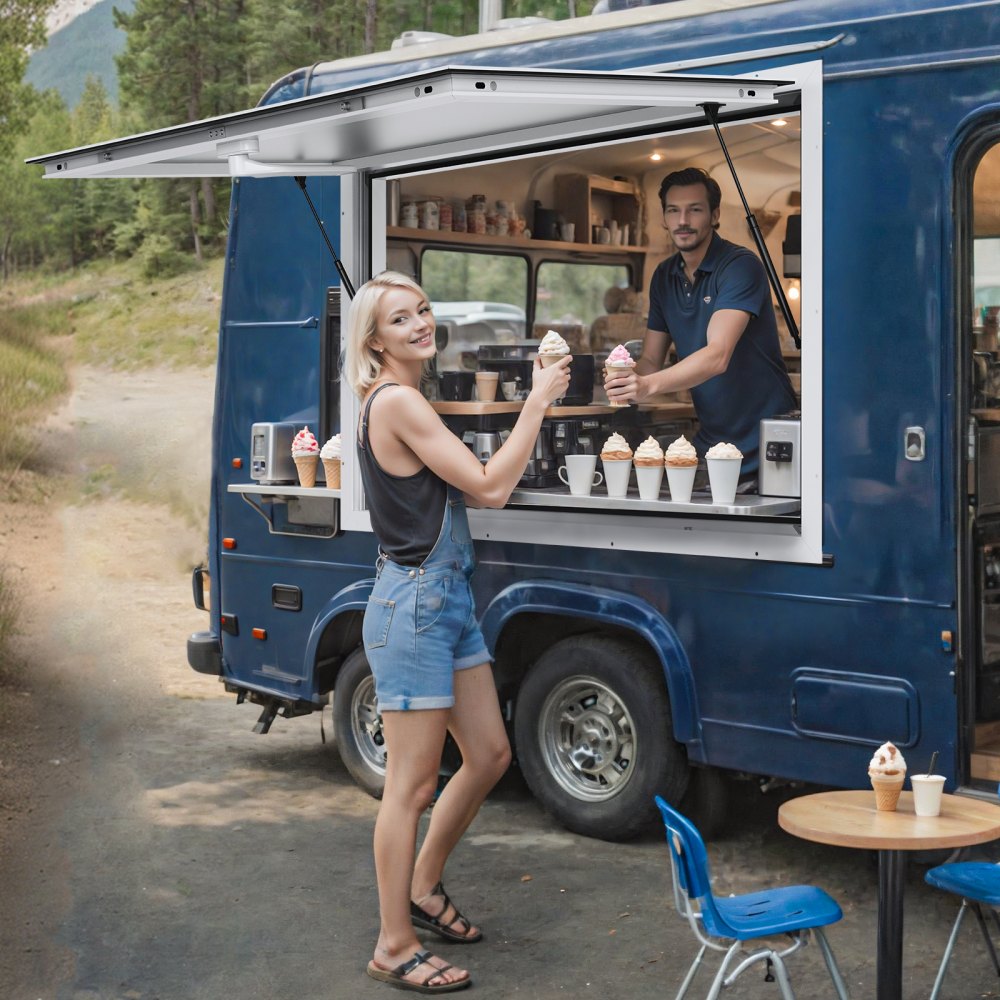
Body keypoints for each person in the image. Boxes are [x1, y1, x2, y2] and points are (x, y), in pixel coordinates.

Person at [343, 271, 571, 994]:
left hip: (445, 602)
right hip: (413, 609)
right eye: (400, 318)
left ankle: (424, 885)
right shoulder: (399, 400)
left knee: (491, 752)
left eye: (424, 310)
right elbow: (490, 486)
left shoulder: (404, 398)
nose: (419, 324)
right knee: (409, 788)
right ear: (375, 341)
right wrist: (538, 399)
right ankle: (393, 943)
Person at [604, 166, 796, 480]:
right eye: (673, 211)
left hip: (769, 439)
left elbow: (718, 355)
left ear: (714, 215)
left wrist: (648, 386)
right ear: (664, 219)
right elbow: (652, 359)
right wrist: (624, 378)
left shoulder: (740, 266)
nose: (682, 221)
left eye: (694, 210)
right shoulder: (664, 276)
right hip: (713, 442)